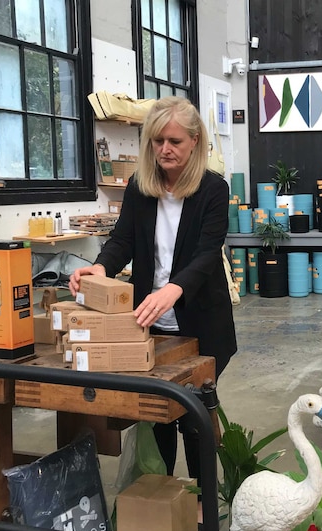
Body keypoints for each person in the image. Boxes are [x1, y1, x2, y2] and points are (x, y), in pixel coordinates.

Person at [69, 96, 237, 482]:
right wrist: (99, 267)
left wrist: (173, 289)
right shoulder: (139, 186)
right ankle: (159, 501)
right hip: (151, 321)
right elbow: (122, 240)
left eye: (174, 141)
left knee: (195, 415)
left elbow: (207, 254)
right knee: (156, 414)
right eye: (157, 141)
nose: (165, 149)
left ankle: (200, 506)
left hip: (202, 322)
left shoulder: (213, 190)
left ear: (195, 141)